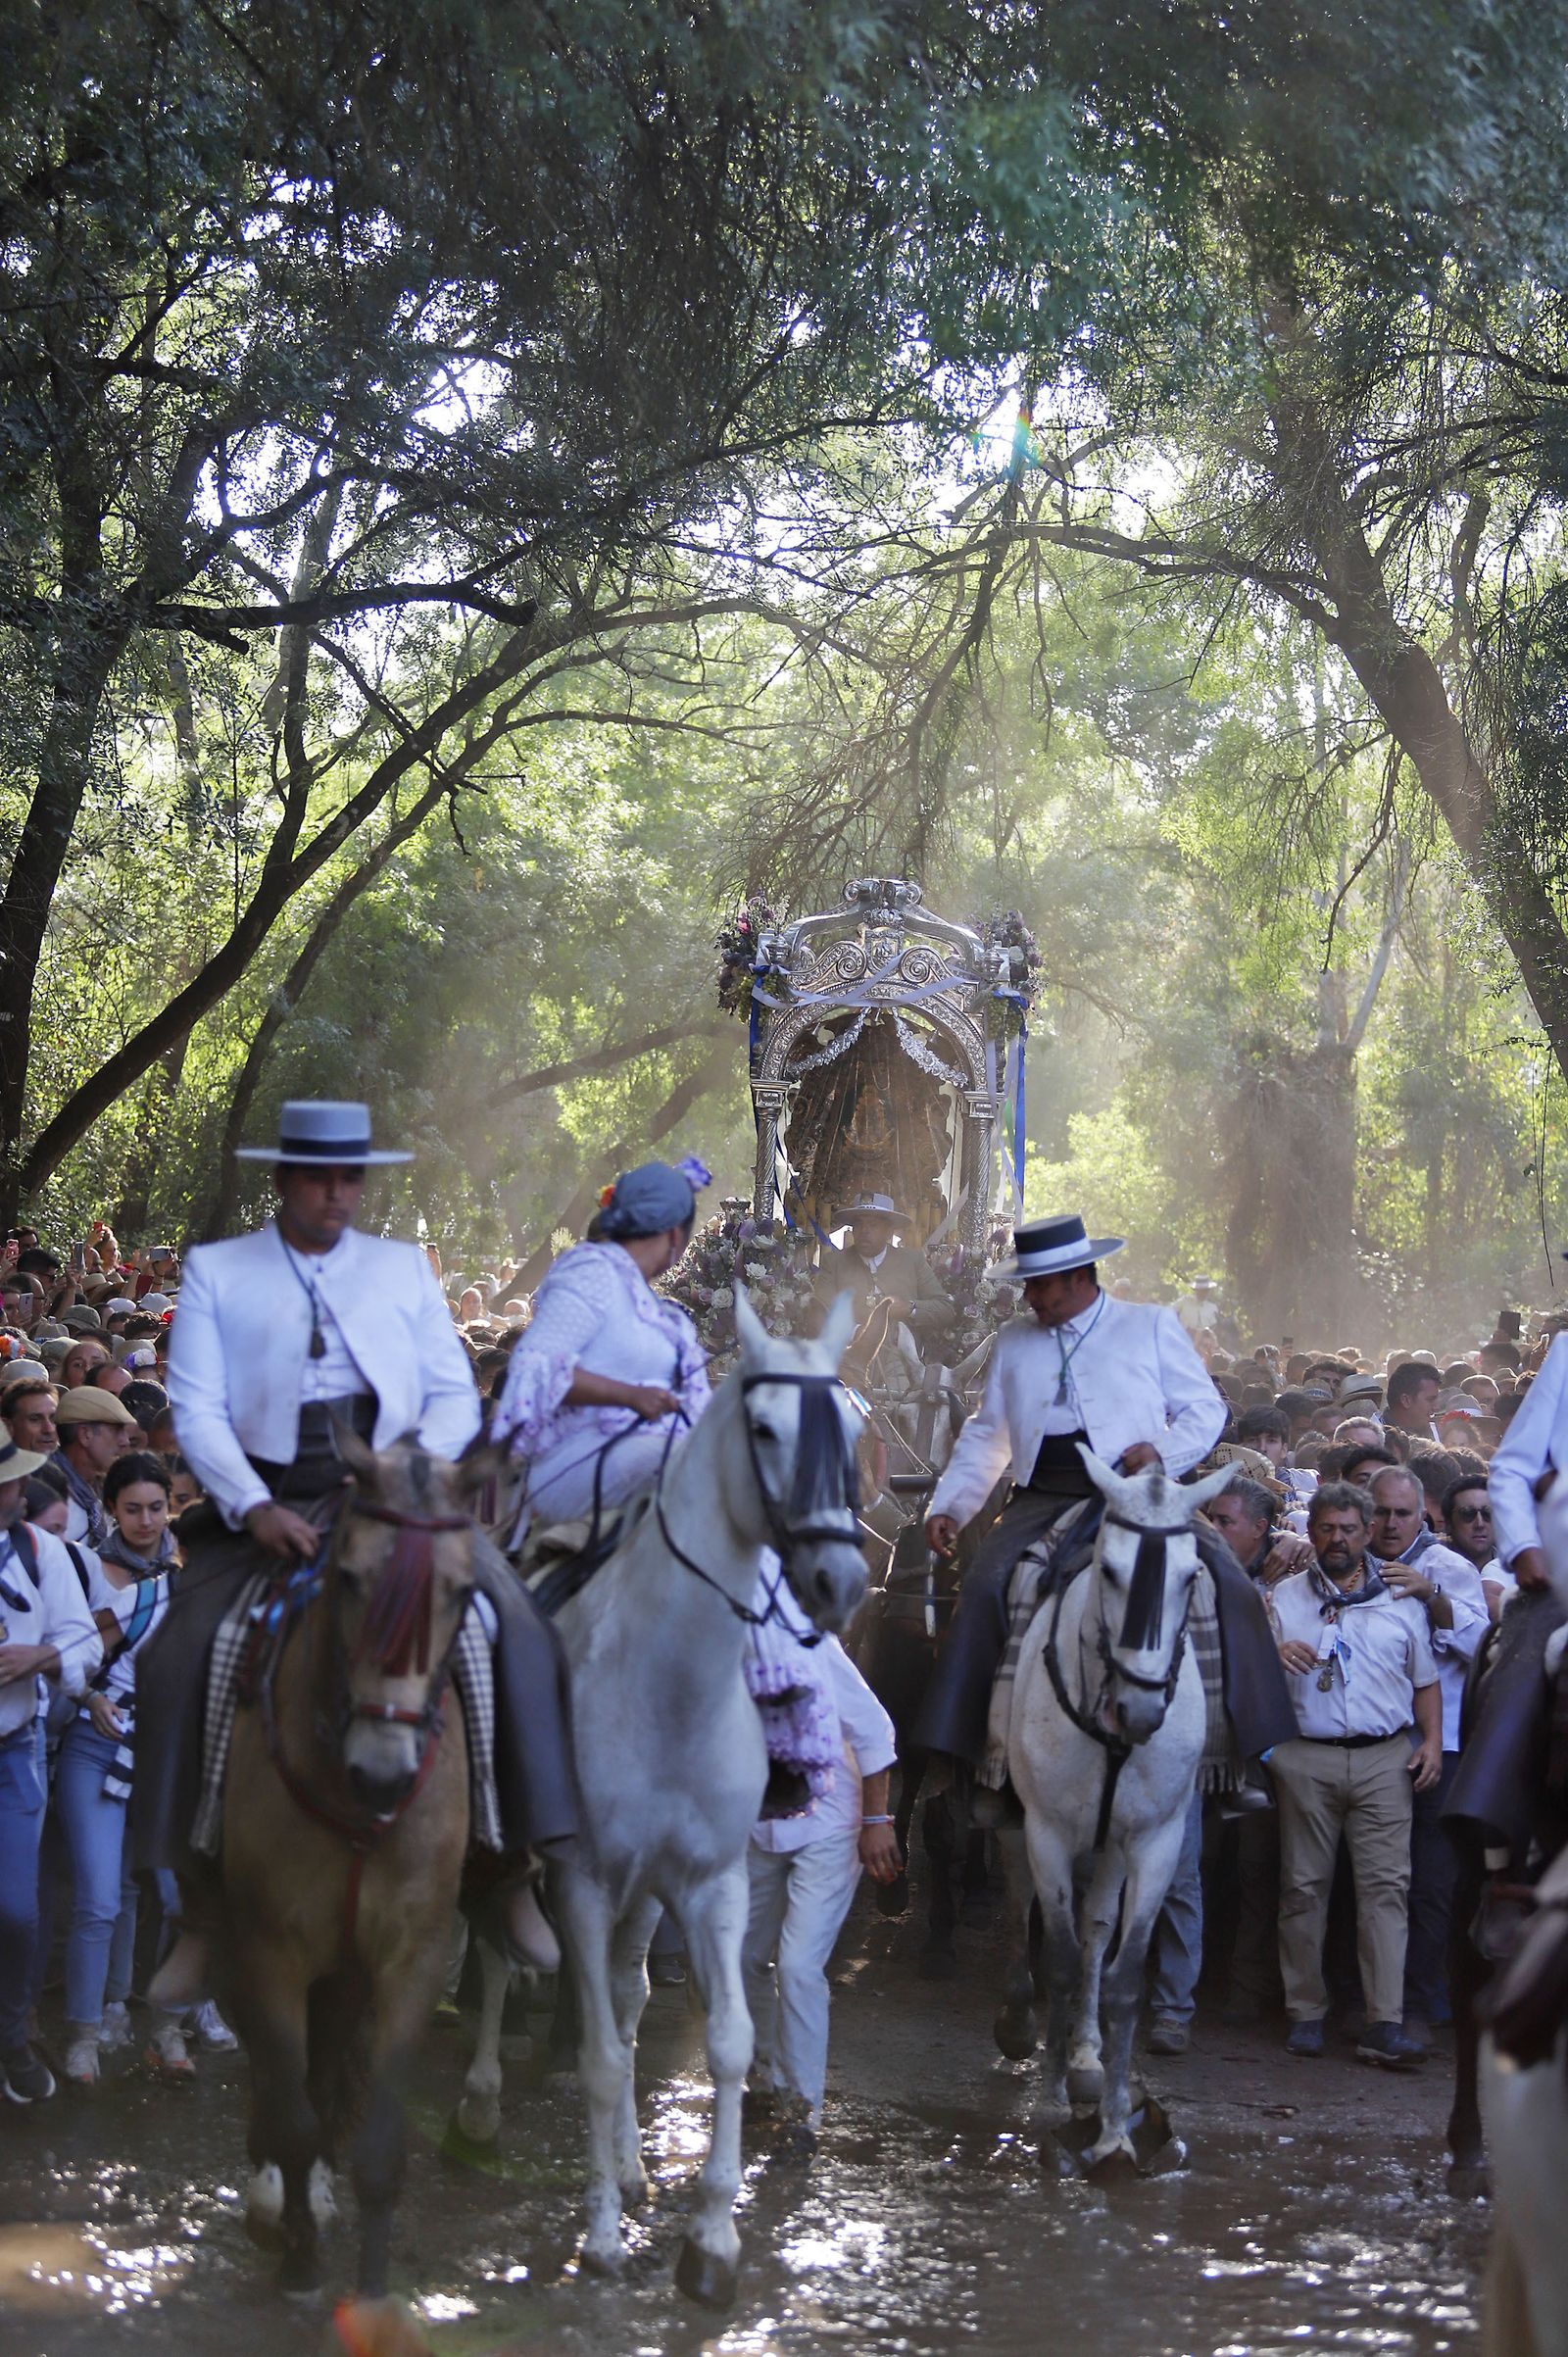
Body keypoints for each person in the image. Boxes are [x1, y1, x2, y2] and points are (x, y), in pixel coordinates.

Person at [131, 1099, 575, 2000]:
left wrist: (416, 1472)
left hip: (394, 1491)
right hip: (271, 1495)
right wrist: (253, 1507)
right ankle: (202, 1905)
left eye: (349, 1178)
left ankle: (503, 1866)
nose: (336, 1194)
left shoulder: (403, 1269)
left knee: (513, 1627)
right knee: (182, 1652)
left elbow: (453, 1391)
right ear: (285, 1179)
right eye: (318, 1177)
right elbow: (198, 1407)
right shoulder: (219, 1271)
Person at [916, 1213, 1297, 1777]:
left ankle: (1242, 1753)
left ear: (1078, 1277)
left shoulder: (1149, 1325)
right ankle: (978, 1759)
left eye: (1040, 1284)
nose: (1030, 1296)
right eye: (1027, 1284)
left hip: (1141, 1492)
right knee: (984, 1584)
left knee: (1231, 1585)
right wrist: (950, 1504)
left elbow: (1206, 1408)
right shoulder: (1015, 1340)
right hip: (1044, 1490)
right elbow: (987, 1431)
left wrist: (1162, 1453)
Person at [1267, 1481, 1441, 2071]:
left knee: (1386, 1890)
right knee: (1301, 1888)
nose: (1336, 1539)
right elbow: (1254, 1677)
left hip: (1384, 1758)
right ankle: (1306, 2013)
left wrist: (1434, 1744)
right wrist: (1275, 1655)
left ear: (1367, 1533)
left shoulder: (1400, 1598)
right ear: (1310, 1530)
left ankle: (1383, 2022)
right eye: (1326, 1528)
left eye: (1348, 1529)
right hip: (1305, 1755)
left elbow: (1426, 1682)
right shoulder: (1283, 1597)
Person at [56, 1452, 202, 2087]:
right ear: (111, 1509)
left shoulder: (205, 1595)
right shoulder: (137, 1595)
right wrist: (91, 1698)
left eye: (156, 1507)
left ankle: (166, 2025)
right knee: (99, 1897)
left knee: (178, 1898)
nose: (146, 1520)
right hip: (98, 1745)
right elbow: (70, 1656)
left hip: (166, 1759)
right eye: (132, 1507)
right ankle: (87, 2032)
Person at [742, 1580, 900, 2147]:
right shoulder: (712, 1649)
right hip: (760, 1825)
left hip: (831, 1821)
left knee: (800, 1966)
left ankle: (800, 2111)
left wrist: (877, 1824)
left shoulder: (810, 1643)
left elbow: (876, 1729)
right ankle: (762, 2080)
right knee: (742, 1956)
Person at [492, 1158, 711, 1536]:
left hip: (652, 1459)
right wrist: (630, 1396)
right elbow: (536, 1368)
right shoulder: (592, 1271)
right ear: (676, 1235)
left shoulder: (666, 1317)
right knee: (681, 1458)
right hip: (570, 1464)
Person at [1364, 1464, 1488, 2038]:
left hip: (1446, 1750)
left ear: (1425, 1517)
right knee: (1372, 1884)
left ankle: (1423, 2004)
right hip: (1374, 1750)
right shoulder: (1349, 1563)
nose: (1391, 1524)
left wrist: (1431, 1597)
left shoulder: (1449, 1567)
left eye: (1402, 1514)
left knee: (1432, 1886)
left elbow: (1480, 1644)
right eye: (1382, 1512)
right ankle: (1369, 2002)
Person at [0, 1429, 103, 2102]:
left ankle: (10, 2036)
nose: (16, 1491)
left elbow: (83, 1643)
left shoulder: (41, 1551)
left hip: (13, 1748)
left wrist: (39, 1658)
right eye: (7, 1482)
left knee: (16, 1911)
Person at [809, 1194, 956, 1355]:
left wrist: (910, 1308)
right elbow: (820, 1315)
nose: (864, 1231)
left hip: (903, 1359)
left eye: (873, 1225)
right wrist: (856, 1332)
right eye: (858, 1225)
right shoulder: (834, 1262)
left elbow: (945, 1310)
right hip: (848, 1357)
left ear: (889, 1232)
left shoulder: (912, 1261)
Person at [51, 1386, 137, 1547]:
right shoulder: (46, 1495)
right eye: (116, 1430)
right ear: (85, 1435)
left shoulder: (105, 1488)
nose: (125, 1441)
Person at [1384, 1360, 1441, 1442]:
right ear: (1406, 1400)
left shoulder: (1436, 1434)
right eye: (1430, 1400)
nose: (1436, 1407)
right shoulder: (1375, 1440)